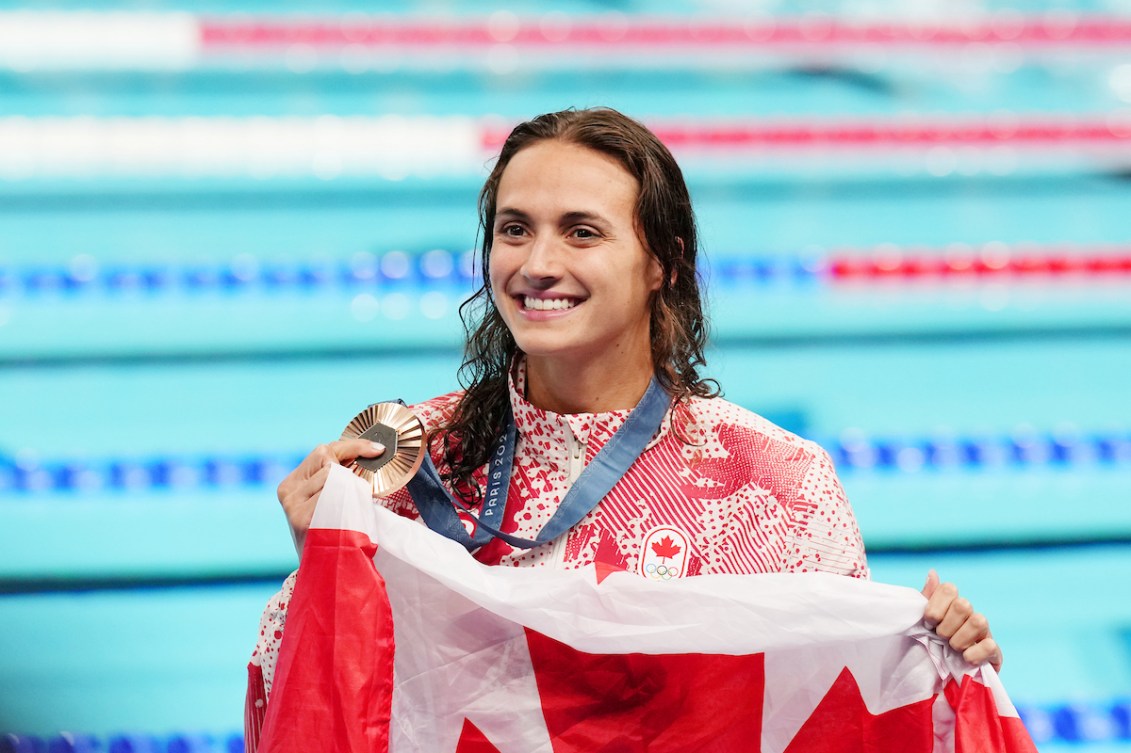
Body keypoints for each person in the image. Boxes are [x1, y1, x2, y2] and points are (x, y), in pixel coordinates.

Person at [253, 107, 1000, 700]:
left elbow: (837, 710)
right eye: (515, 230)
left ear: (660, 264)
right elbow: (317, 711)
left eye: (581, 233)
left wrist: (939, 657)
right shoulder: (408, 462)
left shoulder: (777, 484)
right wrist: (318, 563)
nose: (537, 265)